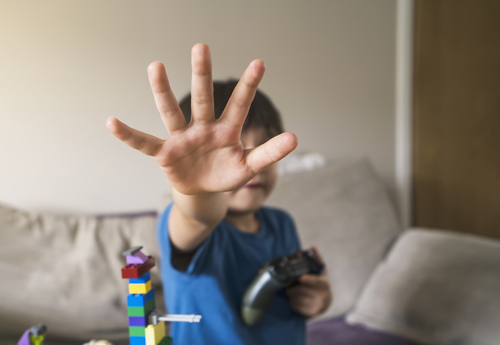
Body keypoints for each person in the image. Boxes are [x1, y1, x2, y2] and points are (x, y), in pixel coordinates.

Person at [106, 43, 332, 345]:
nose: (253, 167)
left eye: (260, 149)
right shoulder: (191, 225)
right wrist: (199, 187)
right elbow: (197, 215)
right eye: (236, 148)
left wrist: (319, 298)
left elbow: (301, 289)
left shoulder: (281, 223)